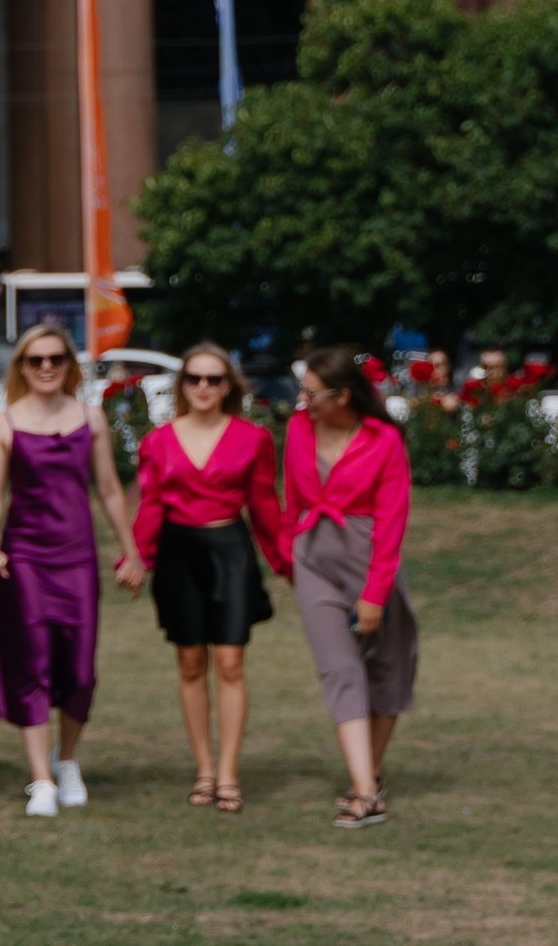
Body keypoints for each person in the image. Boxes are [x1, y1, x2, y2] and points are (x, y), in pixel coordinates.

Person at [0, 321, 144, 818]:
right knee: (32, 661)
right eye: (36, 360)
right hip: (24, 557)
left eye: (56, 359)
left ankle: (66, 758)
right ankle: (41, 779)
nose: (46, 367)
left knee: (79, 666)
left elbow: (110, 489)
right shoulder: (4, 425)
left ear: (70, 365)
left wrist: (130, 551)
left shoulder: (90, 419)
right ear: (22, 367)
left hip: (77, 558)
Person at [133, 344, 289, 815]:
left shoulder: (252, 438)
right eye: (194, 379)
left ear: (229, 387)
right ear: (182, 385)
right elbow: (152, 504)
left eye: (214, 379)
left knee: (230, 662)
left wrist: (286, 562)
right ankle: (203, 769)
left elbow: (264, 505)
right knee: (190, 663)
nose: (203, 387)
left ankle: (228, 773)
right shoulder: (157, 441)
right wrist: (138, 557)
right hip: (179, 556)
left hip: (230, 554)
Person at [285, 348, 418, 829]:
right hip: (314, 560)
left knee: (388, 671)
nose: (302, 401)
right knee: (340, 670)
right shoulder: (298, 428)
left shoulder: (384, 440)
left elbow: (392, 521)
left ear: (342, 396)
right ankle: (364, 792)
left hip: (369, 561)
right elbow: (292, 498)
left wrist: (375, 593)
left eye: (311, 392)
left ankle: (372, 773)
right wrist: (288, 557)